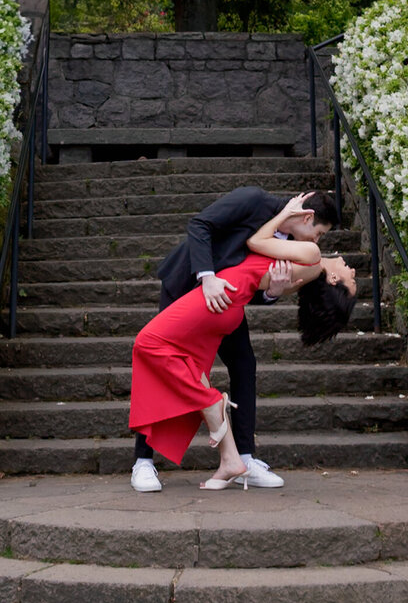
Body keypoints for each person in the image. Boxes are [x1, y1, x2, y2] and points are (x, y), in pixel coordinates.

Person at [128, 196, 358, 488]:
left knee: (243, 364)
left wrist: (274, 292)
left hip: (226, 298)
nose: (318, 239)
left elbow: (258, 276)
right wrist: (207, 276)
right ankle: (144, 461)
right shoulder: (256, 202)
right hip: (190, 283)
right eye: (320, 232)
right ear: (306, 216)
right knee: (165, 363)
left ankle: (243, 457)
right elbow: (200, 225)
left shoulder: (302, 250)